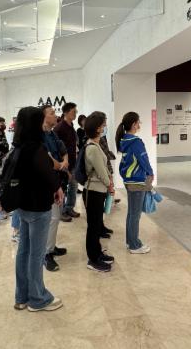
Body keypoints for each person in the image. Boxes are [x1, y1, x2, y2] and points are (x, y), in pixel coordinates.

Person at [13, 106, 64, 312]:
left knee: (23, 251)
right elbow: (48, 174)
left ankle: (22, 296)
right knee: (36, 254)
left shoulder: (18, 146)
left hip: (23, 206)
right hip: (38, 206)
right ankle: (38, 298)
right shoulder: (36, 148)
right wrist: (56, 187)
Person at [82, 112, 116, 272]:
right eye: (103, 125)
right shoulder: (92, 148)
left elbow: (103, 168)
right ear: (97, 128)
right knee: (93, 226)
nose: (105, 127)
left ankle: (97, 253)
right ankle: (93, 259)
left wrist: (109, 181)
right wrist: (110, 185)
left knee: (96, 225)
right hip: (93, 191)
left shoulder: (95, 145)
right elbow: (101, 171)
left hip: (98, 190)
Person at [116, 112, 154, 255]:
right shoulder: (136, 141)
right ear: (133, 124)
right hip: (137, 181)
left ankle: (130, 241)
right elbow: (143, 159)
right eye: (138, 122)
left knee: (131, 213)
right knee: (135, 214)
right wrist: (150, 172)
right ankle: (134, 245)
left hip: (129, 180)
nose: (139, 125)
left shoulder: (124, 139)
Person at [40, 105, 69, 272]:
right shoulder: (40, 136)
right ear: (44, 117)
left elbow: (62, 149)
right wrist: (60, 165)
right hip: (47, 182)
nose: (55, 115)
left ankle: (51, 247)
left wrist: (65, 161)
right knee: (52, 218)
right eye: (52, 113)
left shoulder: (52, 134)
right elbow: (47, 160)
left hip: (57, 180)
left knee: (55, 217)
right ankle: (46, 253)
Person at [53, 102, 80, 221]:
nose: (76, 113)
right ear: (66, 112)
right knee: (63, 188)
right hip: (63, 164)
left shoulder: (71, 126)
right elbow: (57, 148)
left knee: (73, 186)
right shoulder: (59, 128)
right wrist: (63, 165)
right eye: (74, 111)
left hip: (73, 162)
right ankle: (61, 212)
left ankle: (69, 208)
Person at [98, 134, 117, 236]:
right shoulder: (96, 143)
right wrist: (110, 185)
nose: (103, 127)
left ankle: (101, 226)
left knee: (104, 201)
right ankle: (100, 229)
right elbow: (106, 156)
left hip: (107, 172)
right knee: (100, 205)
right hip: (102, 178)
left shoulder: (102, 138)